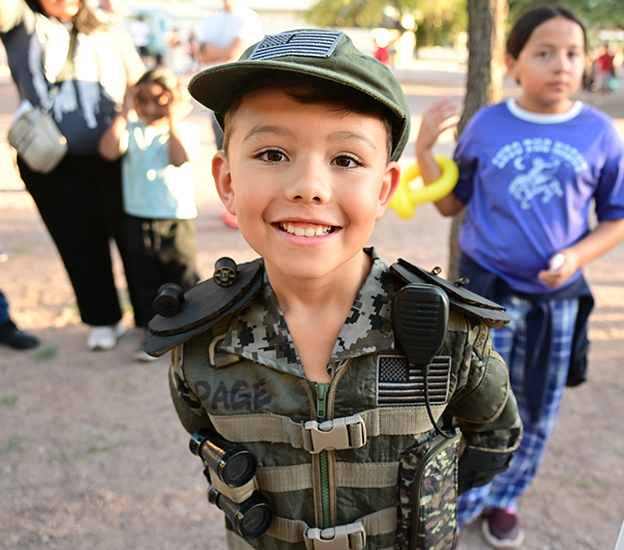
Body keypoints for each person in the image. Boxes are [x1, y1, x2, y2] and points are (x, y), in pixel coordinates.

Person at [145, 29, 523, 550]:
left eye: (346, 160)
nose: (310, 186)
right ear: (227, 180)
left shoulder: (450, 332)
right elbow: (204, 433)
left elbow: (494, 440)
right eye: (273, 153)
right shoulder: (200, 339)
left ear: (384, 189)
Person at [416, 6, 624, 547]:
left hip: (556, 301)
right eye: (544, 52)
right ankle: (458, 498)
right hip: (486, 294)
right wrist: (424, 149)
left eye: (572, 53)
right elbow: (450, 205)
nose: (561, 64)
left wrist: (578, 256)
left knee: (536, 405)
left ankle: (506, 495)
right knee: (473, 398)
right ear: (513, 62)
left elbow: (617, 219)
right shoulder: (487, 124)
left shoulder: (599, 132)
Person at [0, 0, 145, 351]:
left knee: (136, 237)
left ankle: (152, 316)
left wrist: (125, 119)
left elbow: (135, 79)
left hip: (114, 153)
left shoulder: (108, 24)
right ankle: (102, 318)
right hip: (51, 163)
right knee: (77, 241)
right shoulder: (22, 20)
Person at [98, 67, 199, 362]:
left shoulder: (184, 130)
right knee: (144, 281)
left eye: (159, 101)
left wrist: (174, 118)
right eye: (143, 100)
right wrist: (125, 110)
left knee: (182, 277)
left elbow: (179, 158)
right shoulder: (132, 130)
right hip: (137, 217)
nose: (151, 107)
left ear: (174, 100)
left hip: (175, 217)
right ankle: (153, 333)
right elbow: (107, 151)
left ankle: (190, 332)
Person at [193, 0, 262, 227]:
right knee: (222, 149)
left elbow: (235, 52)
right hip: (216, 95)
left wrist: (210, 50)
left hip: (241, 94)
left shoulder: (248, 18)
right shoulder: (209, 19)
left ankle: (247, 206)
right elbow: (199, 54)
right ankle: (233, 205)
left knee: (247, 149)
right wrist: (215, 51)